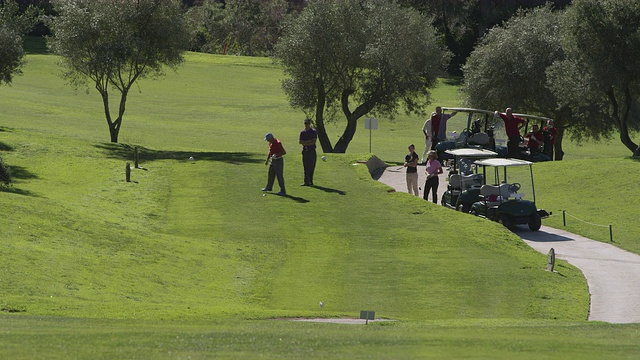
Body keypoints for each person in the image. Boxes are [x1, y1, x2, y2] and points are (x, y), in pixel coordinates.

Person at [299, 118, 317, 186]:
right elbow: (300, 142)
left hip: (312, 151)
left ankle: (310, 181)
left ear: (310, 124)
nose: (306, 125)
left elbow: (313, 142)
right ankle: (306, 181)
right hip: (305, 151)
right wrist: (308, 141)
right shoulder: (302, 132)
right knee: (305, 166)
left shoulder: (313, 132)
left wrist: (305, 142)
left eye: (307, 123)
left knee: (311, 166)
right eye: (305, 123)